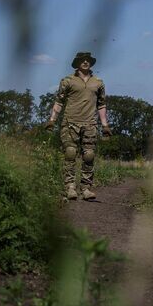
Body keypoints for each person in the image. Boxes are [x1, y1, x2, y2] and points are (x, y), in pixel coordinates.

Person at [45, 51, 111, 201]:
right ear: (77, 63)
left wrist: (105, 125)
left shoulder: (98, 82)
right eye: (82, 60)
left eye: (88, 60)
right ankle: (70, 187)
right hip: (70, 122)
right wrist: (52, 119)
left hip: (90, 123)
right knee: (70, 153)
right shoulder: (67, 81)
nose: (85, 62)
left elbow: (101, 104)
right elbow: (59, 101)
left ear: (91, 63)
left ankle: (86, 189)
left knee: (89, 155)